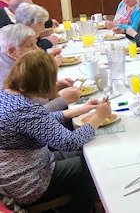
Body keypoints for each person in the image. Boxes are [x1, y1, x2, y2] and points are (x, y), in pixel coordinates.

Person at [0, 50, 112, 212]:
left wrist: (81, 109)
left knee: (88, 155)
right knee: (93, 167)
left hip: (24, 170)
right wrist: (99, 117)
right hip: (29, 184)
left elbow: (42, 120)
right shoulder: (24, 110)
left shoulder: (8, 96)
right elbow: (70, 142)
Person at [0, 24, 79, 113]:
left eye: (35, 43)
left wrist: (53, 87)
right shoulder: (6, 77)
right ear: (12, 52)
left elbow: (31, 93)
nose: (37, 49)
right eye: (30, 45)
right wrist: (63, 100)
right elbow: (30, 116)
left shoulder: (16, 62)